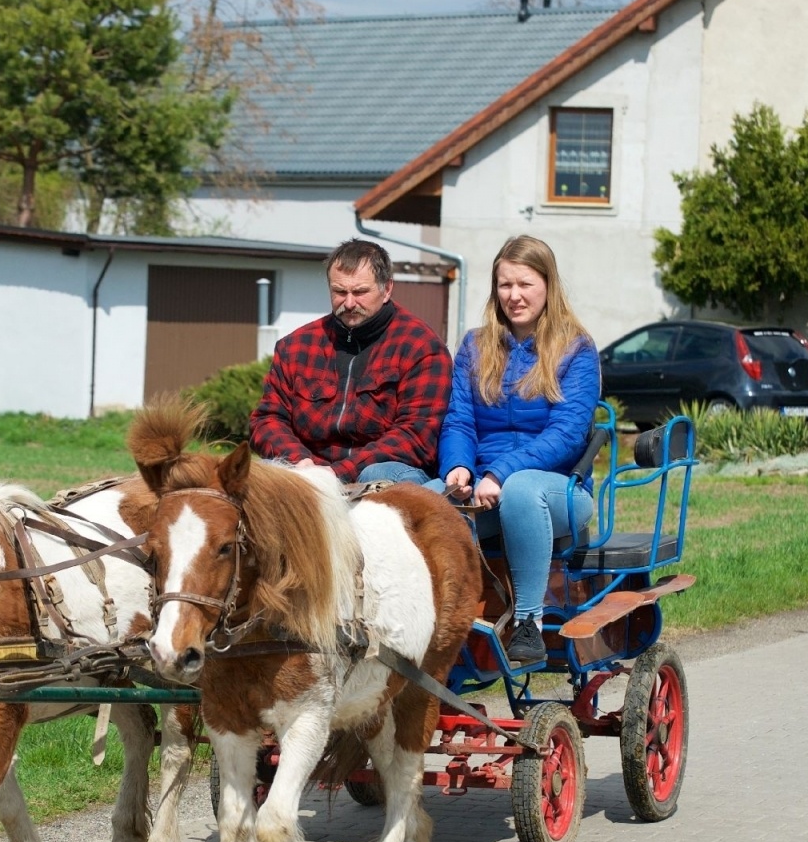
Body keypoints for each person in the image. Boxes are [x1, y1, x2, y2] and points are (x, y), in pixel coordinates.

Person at [430, 235, 600, 664]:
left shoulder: (576, 348)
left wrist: (500, 473)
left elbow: (567, 435)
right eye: (505, 285)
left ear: (547, 285)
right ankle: (438, 622)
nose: (514, 296)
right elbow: (459, 421)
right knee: (422, 504)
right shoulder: (475, 345)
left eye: (525, 284)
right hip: (485, 484)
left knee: (523, 491)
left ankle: (528, 623)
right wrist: (458, 469)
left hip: (560, 490)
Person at [249, 239, 450, 484]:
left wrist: (339, 473)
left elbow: (417, 435)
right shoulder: (296, 346)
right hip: (308, 472)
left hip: (383, 475)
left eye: (360, 292)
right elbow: (267, 419)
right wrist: (301, 462)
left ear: (387, 289)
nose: (350, 303)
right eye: (340, 292)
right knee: (262, 473)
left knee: (378, 474)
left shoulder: (421, 347)